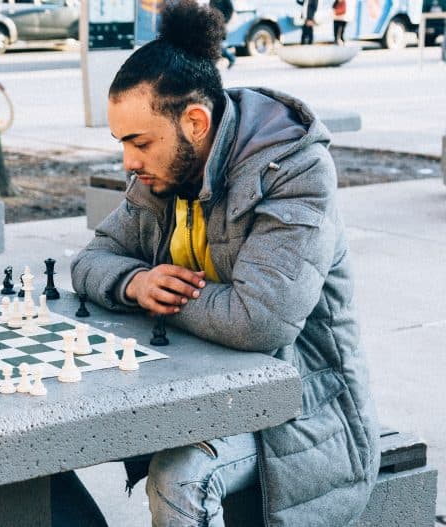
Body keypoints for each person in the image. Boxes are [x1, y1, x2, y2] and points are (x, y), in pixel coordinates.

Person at [71, 1, 380, 525]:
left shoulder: (296, 168)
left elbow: (259, 320)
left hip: (301, 405)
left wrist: (162, 303)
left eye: (139, 142)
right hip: (208, 387)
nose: (128, 161)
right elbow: (90, 260)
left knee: (180, 476)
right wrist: (136, 282)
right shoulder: (166, 173)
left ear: (195, 121)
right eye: (122, 142)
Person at [209, 0, 236, 68]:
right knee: (216, 44)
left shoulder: (226, 1)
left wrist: (225, 20)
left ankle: (229, 58)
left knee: (217, 44)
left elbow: (230, 9)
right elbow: (211, 9)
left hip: (222, 24)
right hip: (214, 23)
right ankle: (230, 57)